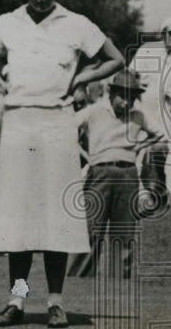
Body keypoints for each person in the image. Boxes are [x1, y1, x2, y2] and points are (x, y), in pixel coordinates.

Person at [0, 0, 124, 328]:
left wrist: (81, 80)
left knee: (57, 218)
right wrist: (1, 83)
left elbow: (114, 59)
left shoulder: (76, 24)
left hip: (58, 123)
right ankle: (17, 300)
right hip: (18, 122)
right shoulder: (7, 23)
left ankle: (56, 302)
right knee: (19, 222)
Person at [68, 69, 163, 278]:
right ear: (111, 93)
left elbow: (159, 133)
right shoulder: (94, 111)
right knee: (92, 228)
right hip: (100, 172)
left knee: (125, 231)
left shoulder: (138, 115)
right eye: (123, 96)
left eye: (132, 98)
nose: (127, 103)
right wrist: (83, 153)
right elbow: (66, 126)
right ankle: (80, 278)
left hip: (128, 174)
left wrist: (138, 147)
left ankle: (122, 279)